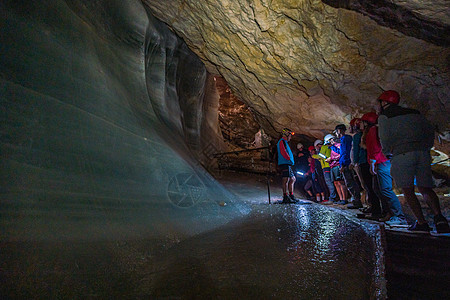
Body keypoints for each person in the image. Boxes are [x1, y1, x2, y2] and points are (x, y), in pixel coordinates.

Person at [377, 90, 450, 233]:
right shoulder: (415, 113)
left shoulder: (384, 116)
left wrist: (387, 153)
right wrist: (426, 147)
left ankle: (421, 223)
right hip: (422, 153)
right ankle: (439, 218)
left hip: (402, 154)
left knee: (408, 190)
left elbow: (384, 138)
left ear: (385, 102)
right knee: (425, 188)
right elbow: (429, 131)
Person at [361, 112, 407, 225]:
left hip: (381, 162)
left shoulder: (372, 131)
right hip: (382, 162)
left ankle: (399, 216)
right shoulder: (374, 130)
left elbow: (375, 149)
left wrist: (372, 163)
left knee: (385, 189)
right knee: (378, 189)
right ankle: (388, 212)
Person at [351, 117, 382, 216]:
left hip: (364, 162)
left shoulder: (359, 136)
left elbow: (356, 151)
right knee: (371, 186)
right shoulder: (367, 134)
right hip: (370, 162)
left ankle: (375, 209)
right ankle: (374, 207)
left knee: (368, 186)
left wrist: (355, 162)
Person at [330, 124, 362, 208]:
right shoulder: (346, 139)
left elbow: (345, 153)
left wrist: (343, 165)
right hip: (348, 163)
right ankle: (356, 200)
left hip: (347, 164)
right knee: (351, 182)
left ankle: (357, 201)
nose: (336, 134)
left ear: (339, 131)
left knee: (350, 183)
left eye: (336, 132)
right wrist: (332, 147)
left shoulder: (344, 139)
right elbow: (341, 151)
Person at [277, 128, 299, 203]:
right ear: (286, 135)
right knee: (285, 180)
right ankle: (285, 196)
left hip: (288, 163)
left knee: (293, 179)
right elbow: (283, 151)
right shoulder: (282, 141)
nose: (290, 137)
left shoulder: (285, 142)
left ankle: (291, 195)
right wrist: (289, 158)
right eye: (290, 135)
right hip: (285, 163)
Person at [325, 135, 347, 204]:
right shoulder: (332, 147)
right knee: (335, 183)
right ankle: (341, 199)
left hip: (338, 165)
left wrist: (331, 159)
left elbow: (340, 154)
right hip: (333, 166)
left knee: (340, 182)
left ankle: (344, 199)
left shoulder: (338, 145)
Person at [317, 136, 338, 203]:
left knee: (329, 182)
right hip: (331, 165)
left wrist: (314, 155)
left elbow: (320, 156)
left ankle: (332, 198)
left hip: (326, 166)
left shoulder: (324, 147)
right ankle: (334, 197)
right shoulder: (331, 147)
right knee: (334, 182)